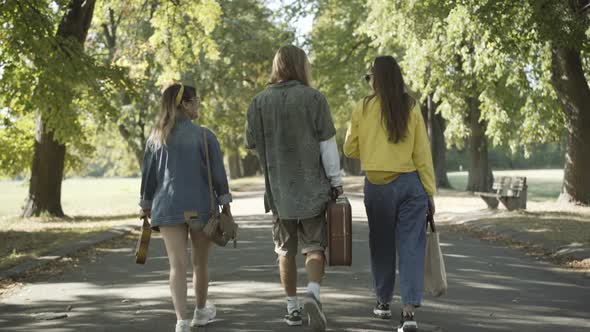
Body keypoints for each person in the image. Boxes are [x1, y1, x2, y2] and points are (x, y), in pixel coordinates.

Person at [245, 45, 342, 332]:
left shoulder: (258, 103)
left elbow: (251, 144)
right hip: (313, 187)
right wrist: (335, 182)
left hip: (278, 191)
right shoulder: (314, 99)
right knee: (315, 246)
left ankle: (292, 308)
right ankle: (312, 291)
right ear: (302, 66)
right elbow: (327, 146)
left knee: (284, 251)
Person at [343, 56, 435, 332]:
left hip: (377, 186)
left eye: (369, 77)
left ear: (377, 78)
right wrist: (429, 191)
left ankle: (383, 302)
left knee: (381, 245)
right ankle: (408, 313)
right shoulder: (411, 106)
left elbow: (349, 149)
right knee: (411, 247)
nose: (368, 81)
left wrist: (370, 149)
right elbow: (422, 153)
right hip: (411, 185)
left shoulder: (363, 107)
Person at [139, 83, 233, 332]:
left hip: (168, 208)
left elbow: (148, 177)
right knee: (199, 263)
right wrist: (225, 207)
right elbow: (219, 176)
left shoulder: (156, 137)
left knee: (176, 265)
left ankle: (181, 321)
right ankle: (200, 312)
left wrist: (146, 205)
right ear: (185, 104)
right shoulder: (204, 135)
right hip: (199, 209)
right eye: (197, 101)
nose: (199, 105)